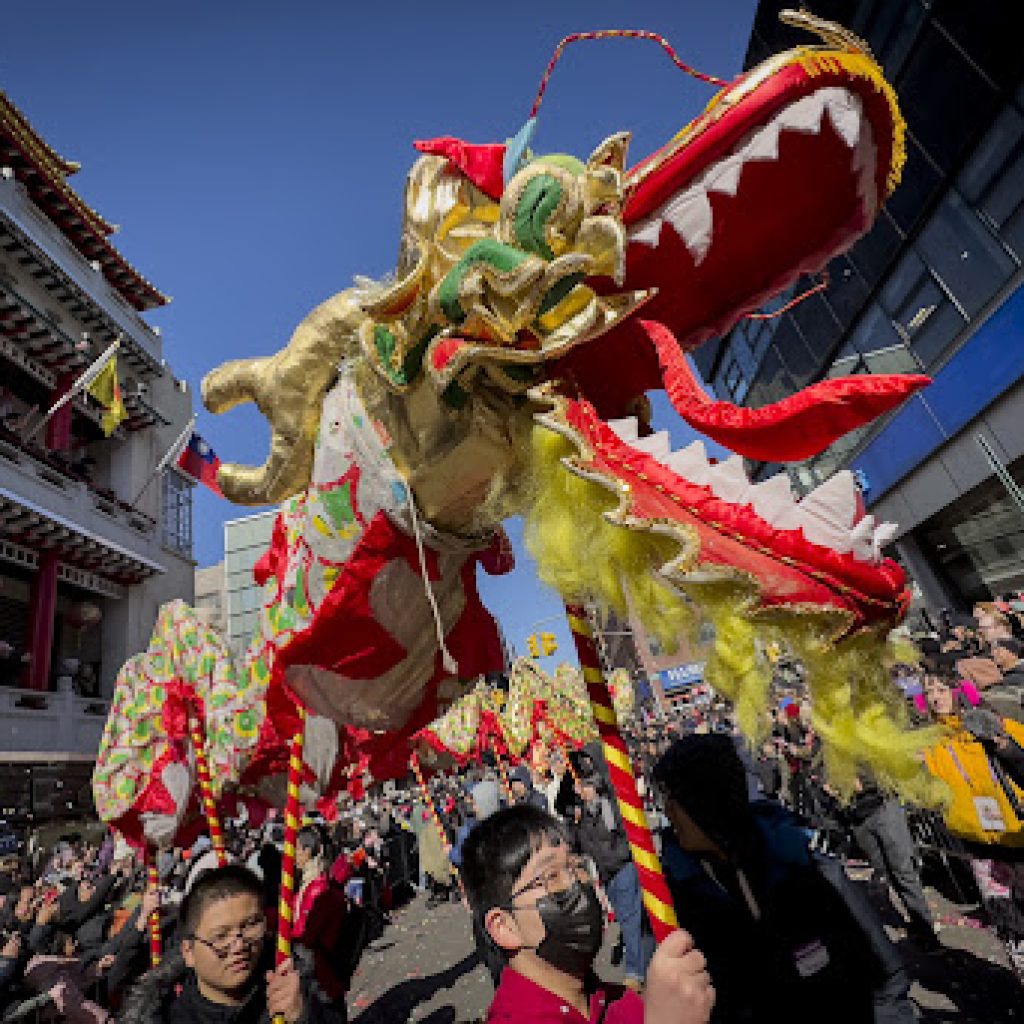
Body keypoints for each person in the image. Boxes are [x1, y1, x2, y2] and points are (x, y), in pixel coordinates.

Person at [654, 733, 915, 1024]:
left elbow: (885, 974)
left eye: (674, 800)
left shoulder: (807, 866)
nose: (667, 813)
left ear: (704, 801)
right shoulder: (676, 901)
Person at [461, 804, 715, 1024]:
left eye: (576, 866)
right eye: (552, 876)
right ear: (504, 927)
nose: (576, 883)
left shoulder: (621, 1001)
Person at [120, 863, 343, 1023]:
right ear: (188, 952)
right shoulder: (166, 1016)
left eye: (250, 926)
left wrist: (304, 1016)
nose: (239, 946)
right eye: (220, 937)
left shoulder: (294, 986)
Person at [575, 771, 653, 990]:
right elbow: (580, 844)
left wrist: (622, 854)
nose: (580, 791)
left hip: (623, 869)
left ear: (594, 788)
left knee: (629, 920)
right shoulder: (585, 815)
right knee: (630, 919)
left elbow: (627, 834)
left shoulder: (610, 807)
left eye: (584, 786)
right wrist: (575, 823)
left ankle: (634, 973)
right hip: (606, 873)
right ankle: (645, 960)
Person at [989, 638, 1024, 722]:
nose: (993, 654)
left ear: (1013, 653)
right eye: (993, 650)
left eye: (998, 650)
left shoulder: (1019, 676)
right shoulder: (1002, 674)